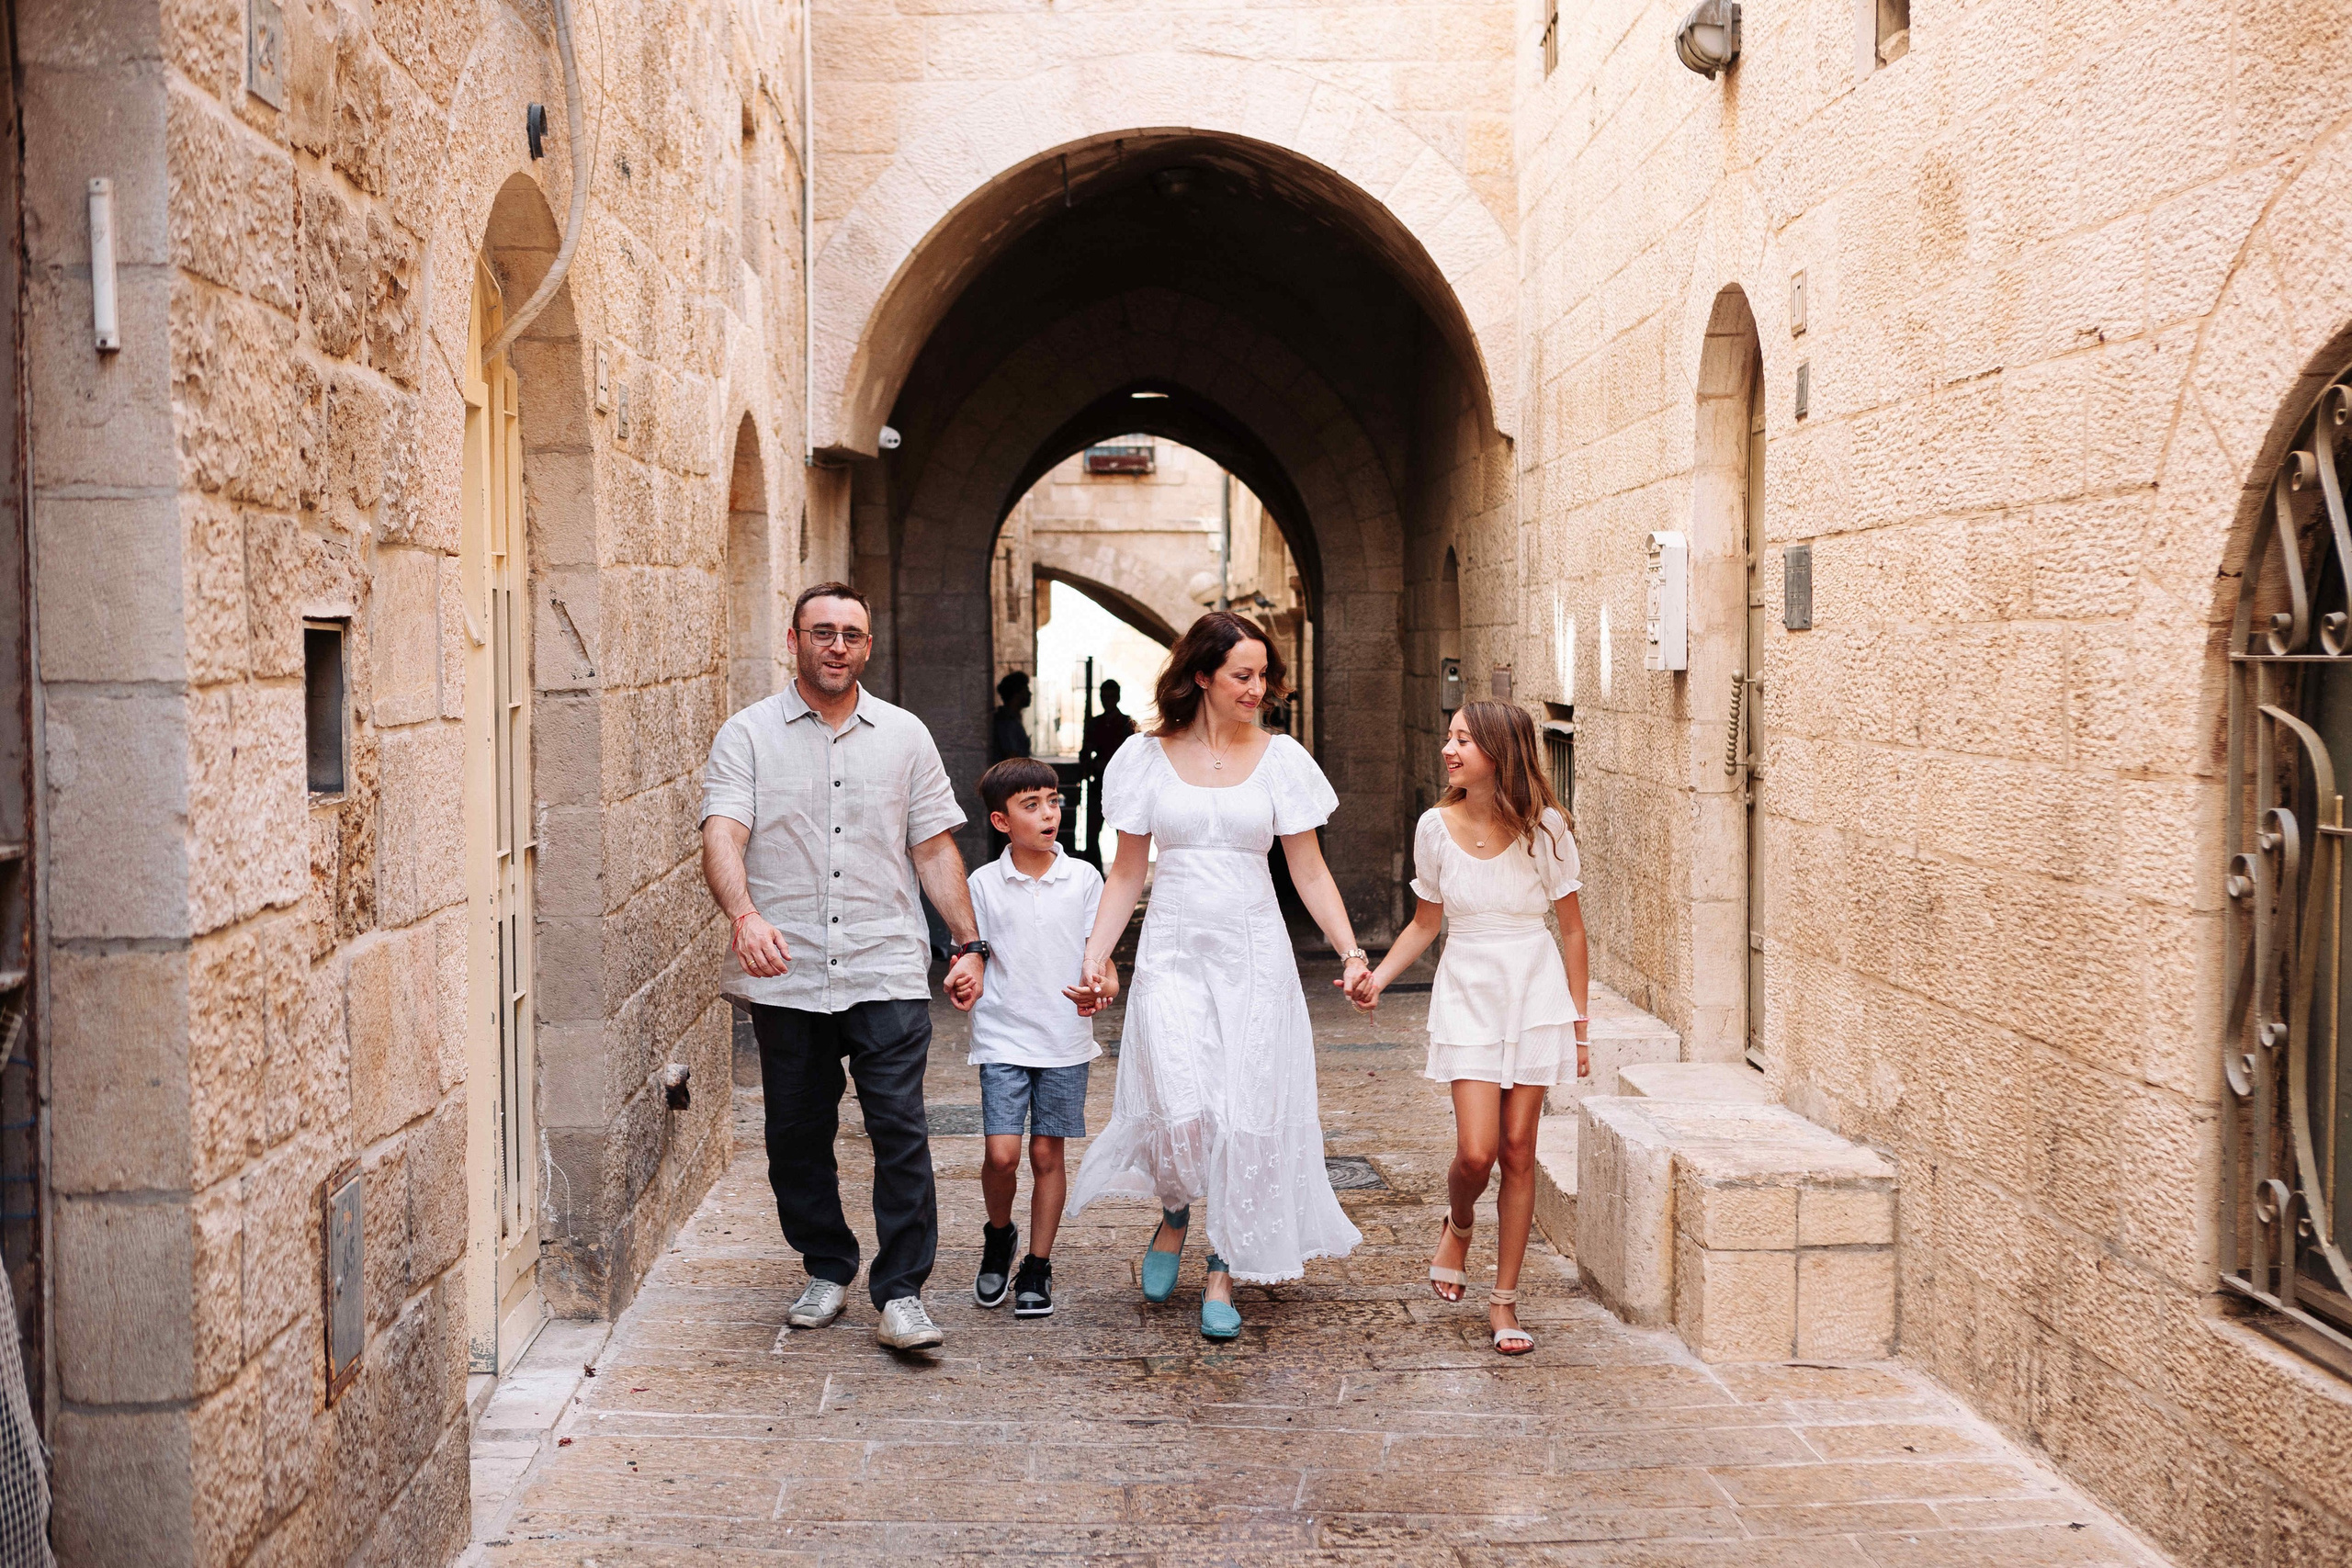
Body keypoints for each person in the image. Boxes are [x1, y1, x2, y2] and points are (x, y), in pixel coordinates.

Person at [699, 581, 989, 1352]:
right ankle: (827, 1264)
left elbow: (933, 847)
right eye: (822, 631)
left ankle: (902, 1292)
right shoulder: (747, 734)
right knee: (796, 1134)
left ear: (867, 646)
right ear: (793, 641)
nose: (837, 645)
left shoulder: (905, 735)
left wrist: (967, 942)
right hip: (787, 969)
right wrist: (744, 914)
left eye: (851, 634)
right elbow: (723, 833)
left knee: (900, 1130)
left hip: (882, 964)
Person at [1062, 611, 1366, 1339]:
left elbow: (1309, 869)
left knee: (1241, 1110)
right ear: (1202, 675)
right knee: (1184, 1103)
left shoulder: (1282, 759)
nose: (1258, 688)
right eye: (1242, 675)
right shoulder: (1145, 756)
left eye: (1263, 675)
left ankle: (1223, 1264)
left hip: (1255, 956)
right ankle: (1174, 1208)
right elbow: (1126, 871)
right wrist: (1095, 955)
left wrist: (1351, 951)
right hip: (1172, 953)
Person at [1350, 701, 1591, 1356]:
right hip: (1469, 991)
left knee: (1518, 1149)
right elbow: (1426, 922)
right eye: (1449, 736)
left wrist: (1579, 1027)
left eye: (1463, 740)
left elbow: (1572, 931)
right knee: (1476, 1153)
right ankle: (1459, 1223)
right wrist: (1379, 977)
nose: (1448, 749)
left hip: (1533, 989)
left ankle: (1504, 1300)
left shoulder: (1546, 828)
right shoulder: (1434, 827)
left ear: (1498, 752)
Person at [965, 757, 1103, 1318]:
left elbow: (1103, 962)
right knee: (1002, 1156)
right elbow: (972, 955)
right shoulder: (982, 884)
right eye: (1032, 805)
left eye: (1053, 801)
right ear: (1001, 821)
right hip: (1003, 1035)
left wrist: (1100, 987)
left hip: (1065, 1040)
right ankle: (999, 1235)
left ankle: (1038, 1266)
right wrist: (965, 975)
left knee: (1048, 1153)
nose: (1049, 814)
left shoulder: (1085, 879)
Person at [1080, 678, 1136, 865]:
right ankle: (1095, 871)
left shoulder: (1128, 724)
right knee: (1092, 832)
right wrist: (1089, 766)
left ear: (1117, 697)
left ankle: (1125, 870)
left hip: (1121, 786)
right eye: (1104, 697)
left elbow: (1133, 756)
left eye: (1110, 696)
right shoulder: (1095, 723)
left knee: (1124, 833)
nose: (1107, 701)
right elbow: (1086, 751)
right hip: (1099, 785)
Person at [990, 671, 1034, 762]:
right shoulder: (1007, 722)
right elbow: (1012, 757)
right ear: (1017, 694)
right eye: (1026, 690)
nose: (1030, 694)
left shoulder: (1012, 719)